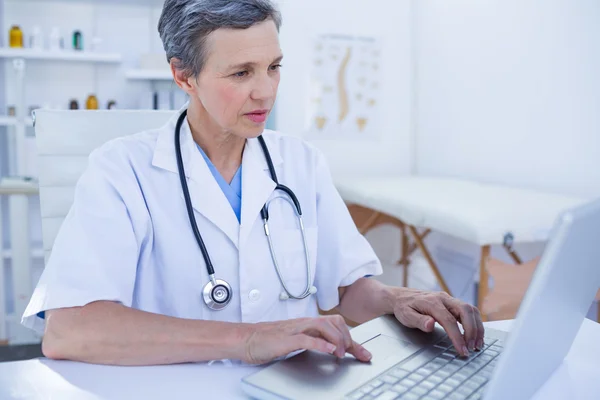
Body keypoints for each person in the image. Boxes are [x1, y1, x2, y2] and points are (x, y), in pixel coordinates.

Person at [22, 0, 484, 366]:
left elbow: (345, 290)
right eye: (241, 73)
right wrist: (249, 340)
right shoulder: (121, 171)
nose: (265, 91)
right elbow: (71, 331)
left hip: (290, 385)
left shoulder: (300, 163)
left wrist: (397, 299)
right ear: (183, 74)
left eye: (274, 67)